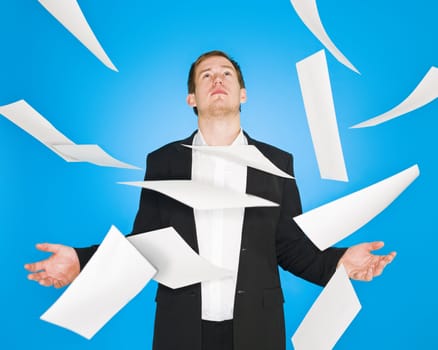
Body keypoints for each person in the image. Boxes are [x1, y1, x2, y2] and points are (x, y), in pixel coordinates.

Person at [25, 50, 396, 350]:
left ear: (242, 94)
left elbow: (289, 247)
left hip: (257, 331)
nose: (217, 79)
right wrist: (83, 261)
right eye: (206, 75)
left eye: (226, 74)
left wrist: (340, 264)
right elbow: (144, 248)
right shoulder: (163, 161)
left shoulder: (277, 163)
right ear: (192, 98)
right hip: (181, 329)